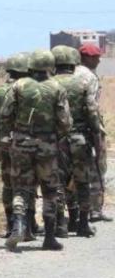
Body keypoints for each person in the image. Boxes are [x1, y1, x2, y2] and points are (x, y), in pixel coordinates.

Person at [0, 49, 71, 251]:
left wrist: (15, 130)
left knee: (21, 188)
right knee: (50, 190)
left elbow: (5, 113)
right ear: (50, 66)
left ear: (31, 66)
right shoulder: (57, 88)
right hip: (47, 145)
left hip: (21, 143)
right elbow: (65, 121)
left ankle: (19, 225)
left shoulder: (19, 85)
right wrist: (55, 135)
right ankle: (49, 237)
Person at [52, 45, 99, 237]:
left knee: (60, 182)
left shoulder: (50, 83)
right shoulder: (83, 82)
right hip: (80, 138)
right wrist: (96, 134)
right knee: (82, 181)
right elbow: (92, 110)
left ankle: (63, 223)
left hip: (57, 140)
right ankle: (83, 224)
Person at [0, 53, 34, 239]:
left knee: (9, 185)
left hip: (5, 144)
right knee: (28, 185)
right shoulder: (30, 91)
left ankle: (11, 226)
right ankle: (29, 227)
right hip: (27, 144)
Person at [75, 43, 112, 222]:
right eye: (96, 57)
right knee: (97, 168)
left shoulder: (69, 74)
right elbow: (92, 108)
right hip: (89, 129)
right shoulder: (89, 77)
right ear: (86, 58)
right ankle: (95, 209)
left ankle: (75, 211)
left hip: (69, 130)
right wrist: (97, 132)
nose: (98, 60)